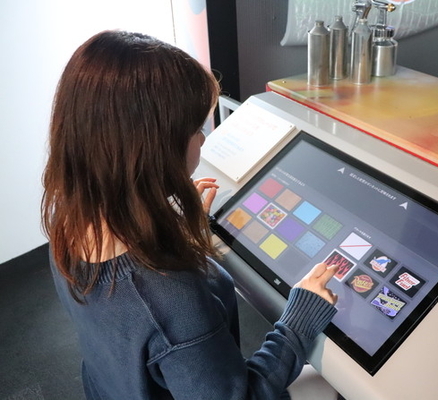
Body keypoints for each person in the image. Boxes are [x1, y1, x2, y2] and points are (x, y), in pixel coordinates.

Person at [42, 30, 339, 400]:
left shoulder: (67, 218)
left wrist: (177, 233)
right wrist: (298, 321)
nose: (203, 140)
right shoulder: (172, 297)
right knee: (327, 384)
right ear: (155, 150)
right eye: (197, 129)